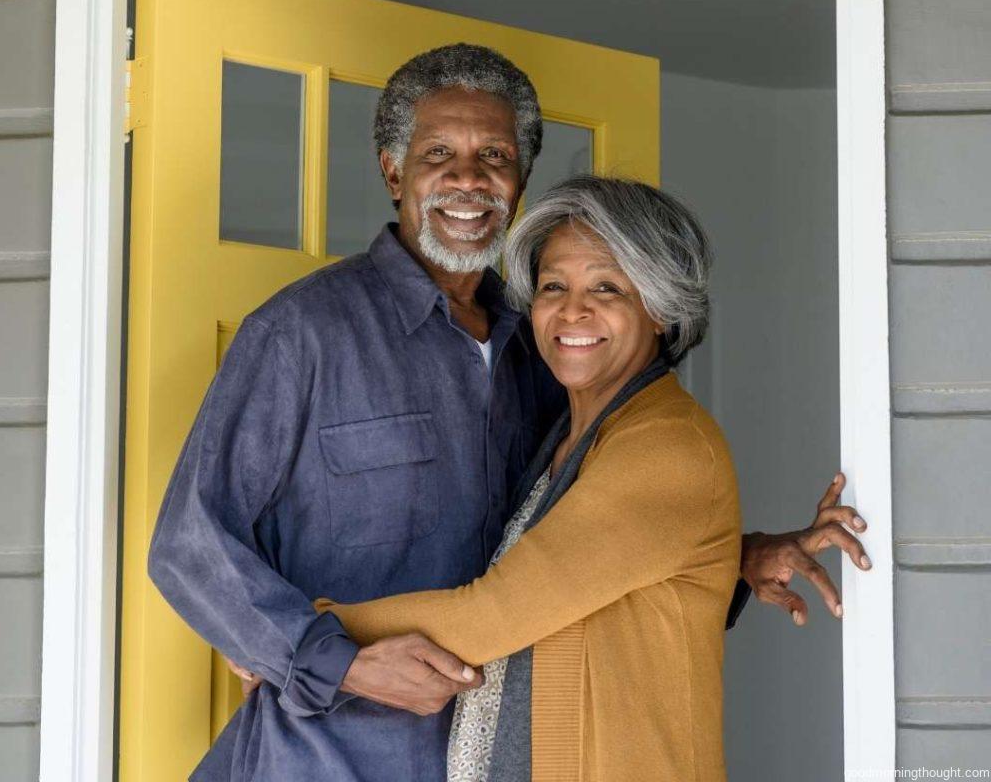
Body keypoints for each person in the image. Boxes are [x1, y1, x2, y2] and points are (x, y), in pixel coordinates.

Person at [148, 43, 870, 782]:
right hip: (325, 756)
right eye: (438, 152)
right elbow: (188, 542)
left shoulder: (547, 352)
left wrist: (722, 557)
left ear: (520, 181)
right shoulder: (302, 334)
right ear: (394, 171)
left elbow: (573, 553)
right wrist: (327, 660)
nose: (468, 178)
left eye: (494, 154)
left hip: (489, 757)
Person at [317, 175, 740, 781]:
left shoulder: (667, 445)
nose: (573, 310)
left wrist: (305, 635)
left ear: (661, 309)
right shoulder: (571, 435)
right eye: (553, 286)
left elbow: (488, 617)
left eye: (607, 287)